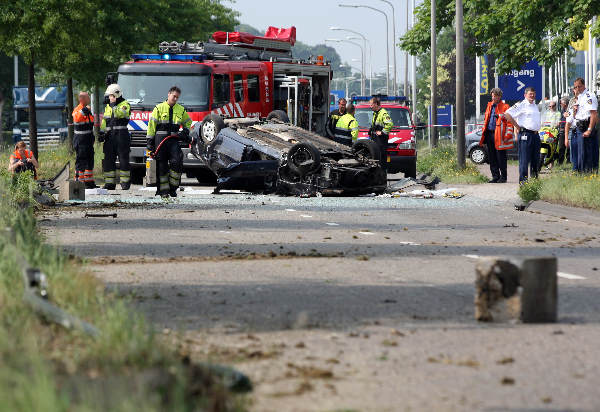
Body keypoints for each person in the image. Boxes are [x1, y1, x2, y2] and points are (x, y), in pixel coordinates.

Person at [146, 86, 192, 197]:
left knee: (176, 162)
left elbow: (188, 122)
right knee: (161, 167)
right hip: (160, 141)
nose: (175, 99)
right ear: (168, 94)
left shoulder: (181, 109)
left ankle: (173, 188)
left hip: (173, 141)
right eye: (174, 96)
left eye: (177, 97)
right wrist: (149, 143)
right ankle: (163, 191)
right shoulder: (158, 108)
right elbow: (151, 126)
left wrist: (185, 131)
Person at [504, 87, 541, 183]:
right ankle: (524, 184)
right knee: (524, 160)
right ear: (525, 95)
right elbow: (507, 114)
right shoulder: (521, 104)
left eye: (533, 94)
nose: (532, 96)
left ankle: (534, 183)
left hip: (535, 135)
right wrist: (516, 126)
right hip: (525, 135)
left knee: (535, 160)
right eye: (530, 94)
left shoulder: (535, 105)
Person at [100, 84, 131, 190]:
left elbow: (120, 114)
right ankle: (109, 183)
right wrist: (101, 132)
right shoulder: (108, 106)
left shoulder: (125, 104)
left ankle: (125, 183)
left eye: (110, 95)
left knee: (123, 160)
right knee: (108, 160)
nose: (109, 98)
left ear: (116, 95)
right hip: (110, 137)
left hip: (121, 136)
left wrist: (113, 105)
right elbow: (105, 120)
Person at [479, 88, 513, 183]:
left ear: (499, 96)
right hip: (489, 134)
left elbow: (510, 123)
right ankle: (495, 176)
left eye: (495, 96)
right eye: (492, 96)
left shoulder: (506, 107)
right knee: (492, 157)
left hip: (500, 135)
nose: (493, 98)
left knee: (501, 157)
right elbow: (486, 120)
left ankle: (503, 177)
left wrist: (508, 135)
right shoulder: (489, 106)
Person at [572, 77, 598, 172]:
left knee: (587, 151)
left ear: (584, 85)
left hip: (587, 125)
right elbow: (576, 115)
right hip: (580, 125)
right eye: (576, 87)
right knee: (581, 152)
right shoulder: (579, 97)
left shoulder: (588, 96)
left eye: (579, 86)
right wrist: (575, 110)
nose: (577, 89)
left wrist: (589, 129)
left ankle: (589, 172)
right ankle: (582, 172)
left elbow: (593, 113)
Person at [72, 91, 96, 188]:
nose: (89, 99)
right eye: (87, 97)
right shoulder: (78, 110)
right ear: (82, 99)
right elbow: (77, 118)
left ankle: (88, 182)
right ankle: (78, 182)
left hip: (88, 140)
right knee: (81, 161)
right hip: (80, 140)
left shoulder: (88, 110)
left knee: (90, 161)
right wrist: (84, 110)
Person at [369, 96, 393, 170]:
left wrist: (382, 132)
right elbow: (375, 125)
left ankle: (382, 177)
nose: (370, 106)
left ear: (376, 104)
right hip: (376, 141)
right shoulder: (376, 113)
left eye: (371, 104)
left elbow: (390, 124)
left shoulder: (383, 113)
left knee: (381, 161)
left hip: (381, 141)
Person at [556, 96, 570, 165]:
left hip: (568, 130)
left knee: (569, 147)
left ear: (565, 104)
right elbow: (561, 119)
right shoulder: (562, 110)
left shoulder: (569, 110)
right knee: (561, 146)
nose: (560, 104)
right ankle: (560, 162)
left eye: (561, 103)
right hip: (562, 130)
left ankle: (569, 161)